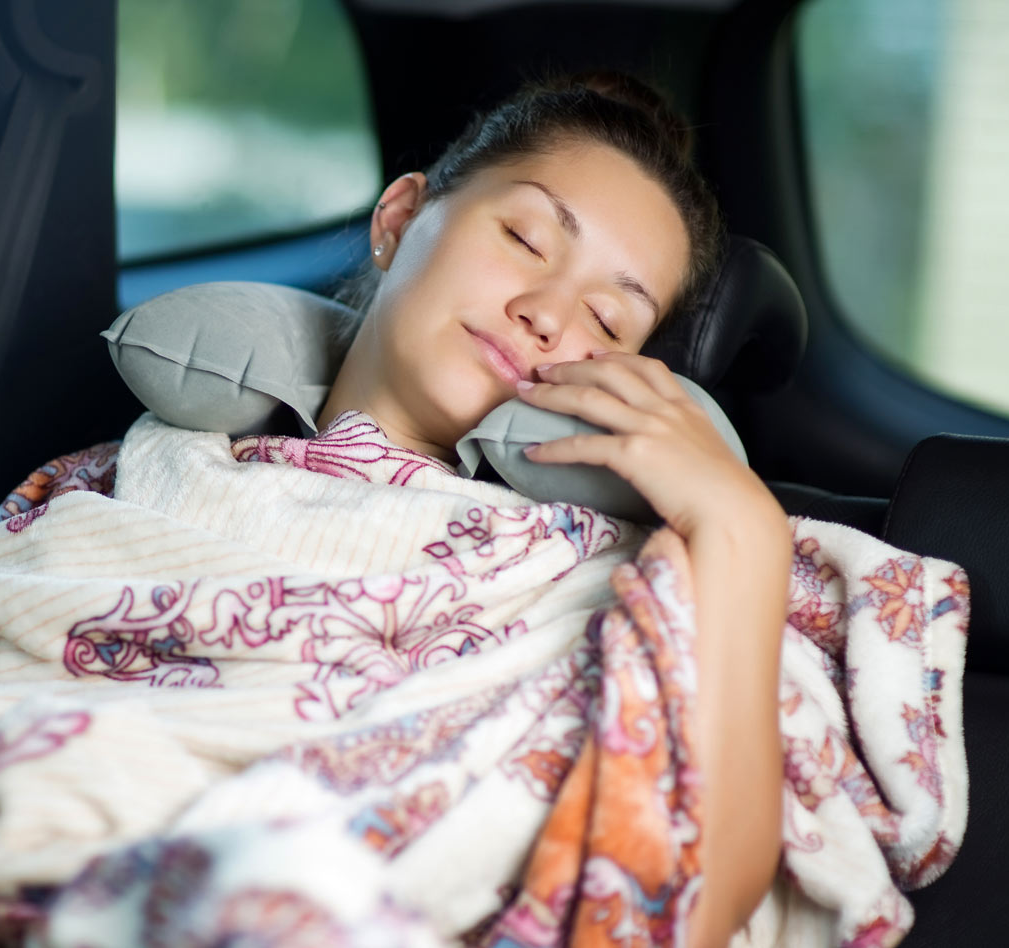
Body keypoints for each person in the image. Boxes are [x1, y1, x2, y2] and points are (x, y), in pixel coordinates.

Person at [317, 73, 793, 947]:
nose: (544, 315)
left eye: (607, 321)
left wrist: (743, 525)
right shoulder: (147, 472)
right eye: (525, 238)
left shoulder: (596, 580)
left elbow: (693, 903)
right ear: (399, 219)